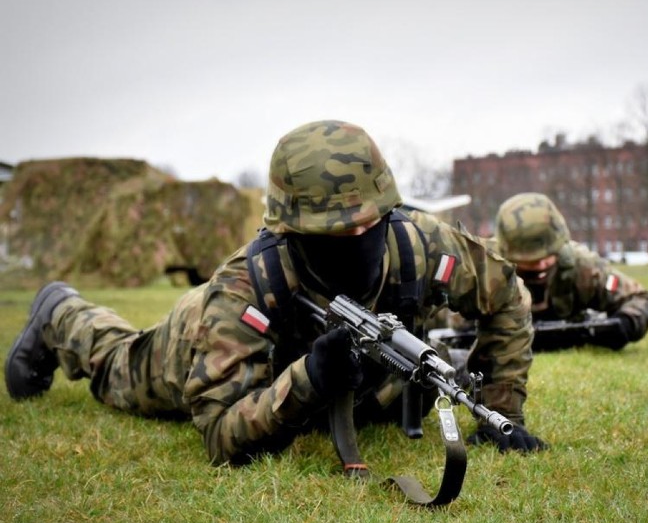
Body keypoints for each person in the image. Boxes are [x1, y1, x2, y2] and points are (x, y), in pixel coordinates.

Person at [4, 120, 546, 465]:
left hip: (323, 366)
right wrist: (309, 379)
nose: (357, 239)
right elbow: (219, 432)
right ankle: (62, 312)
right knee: (116, 367)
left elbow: (507, 299)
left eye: (368, 224)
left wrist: (501, 411)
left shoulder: (421, 244)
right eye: (336, 233)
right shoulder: (244, 285)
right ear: (291, 229)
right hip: (191, 345)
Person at [492, 192, 648, 351]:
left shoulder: (582, 266)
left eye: (548, 254)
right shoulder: (483, 270)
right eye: (531, 259)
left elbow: (638, 298)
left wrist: (623, 324)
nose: (541, 265)